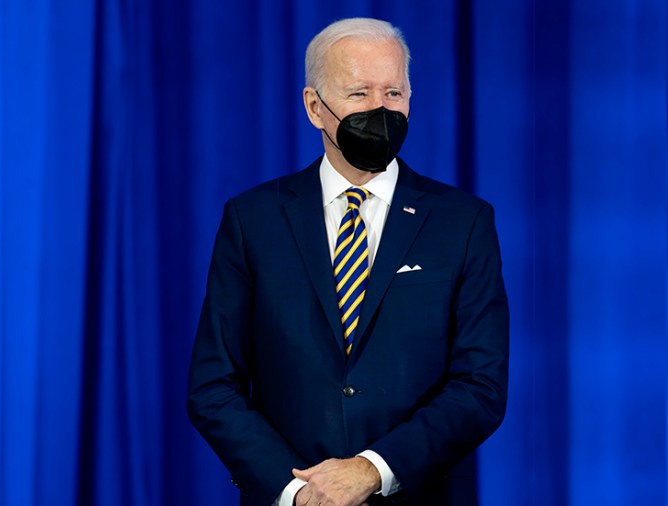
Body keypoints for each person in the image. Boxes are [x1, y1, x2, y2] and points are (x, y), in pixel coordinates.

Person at [187, 17, 509, 506]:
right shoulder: (252, 219)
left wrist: (371, 470)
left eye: (394, 94)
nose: (380, 110)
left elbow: (480, 385)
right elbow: (214, 386)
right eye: (359, 94)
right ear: (315, 107)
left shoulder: (463, 222)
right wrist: (297, 491)